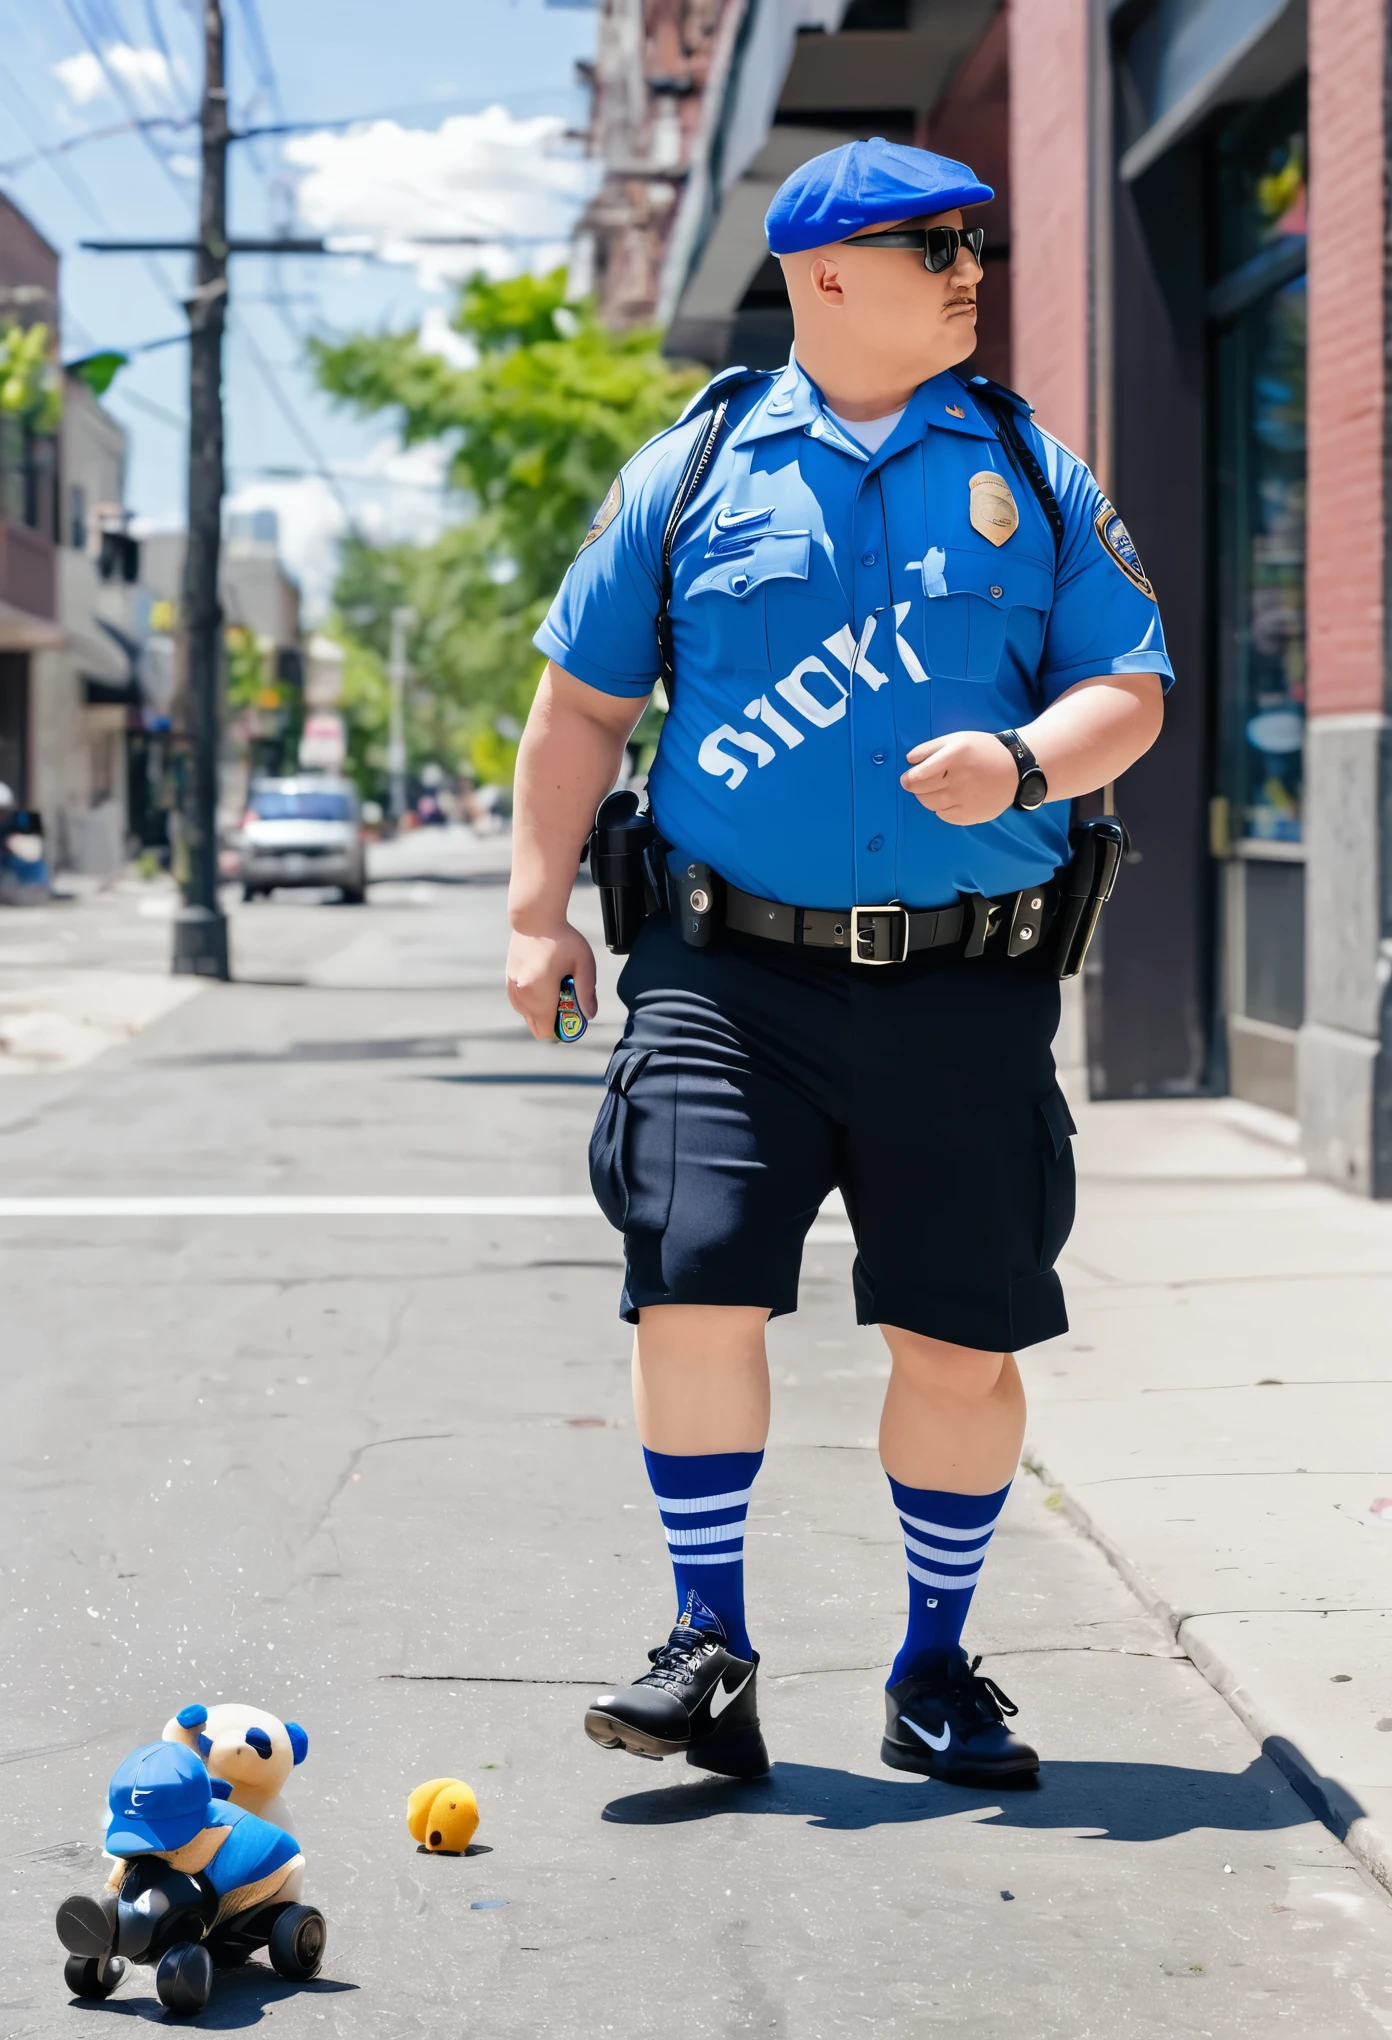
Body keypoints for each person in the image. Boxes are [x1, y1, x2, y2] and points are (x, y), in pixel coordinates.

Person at [506, 138, 1171, 1785]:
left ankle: (935, 1667)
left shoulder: (1032, 462)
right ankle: (707, 1652)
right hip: (731, 982)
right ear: (822, 277)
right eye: (934, 243)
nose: (970, 268)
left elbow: (1132, 689)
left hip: (966, 986)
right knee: (693, 1287)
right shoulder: (700, 465)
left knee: (963, 1340)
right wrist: (535, 911)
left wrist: (1024, 761)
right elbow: (583, 703)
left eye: (979, 243)